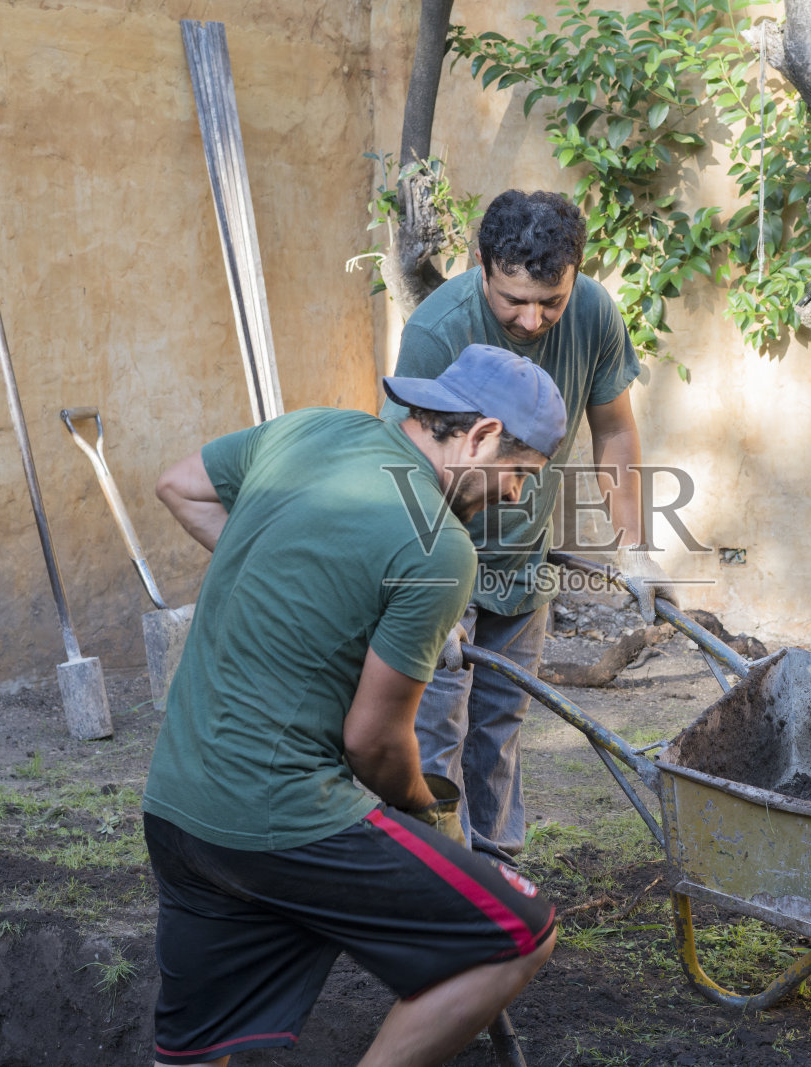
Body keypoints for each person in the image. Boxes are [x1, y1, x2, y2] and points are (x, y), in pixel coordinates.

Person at [143, 344, 566, 1067]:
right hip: (282, 816)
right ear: (482, 435)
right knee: (522, 932)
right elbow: (374, 741)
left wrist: (297, 583)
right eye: (522, 473)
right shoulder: (440, 548)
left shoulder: (309, 429)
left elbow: (180, 486)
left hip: (176, 807)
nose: (518, 496)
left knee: (192, 1052)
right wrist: (423, 804)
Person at [382, 189, 681, 861]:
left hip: (524, 564)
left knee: (500, 727)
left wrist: (635, 549)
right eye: (513, 300)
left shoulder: (595, 313)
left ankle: (498, 872)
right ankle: (436, 879)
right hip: (443, 557)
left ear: (575, 273)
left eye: (551, 301)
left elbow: (614, 430)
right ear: (480, 262)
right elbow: (404, 461)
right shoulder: (437, 328)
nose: (532, 319)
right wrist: (424, 592)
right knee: (434, 730)